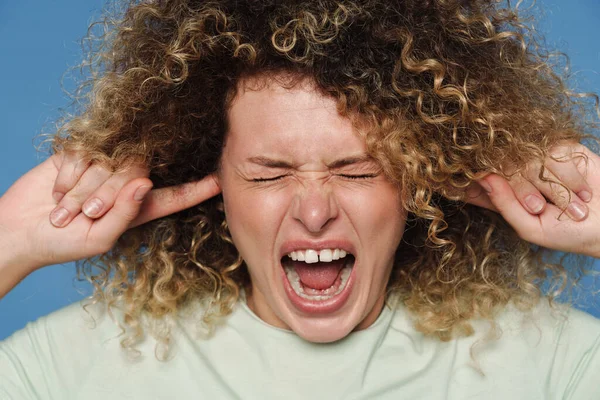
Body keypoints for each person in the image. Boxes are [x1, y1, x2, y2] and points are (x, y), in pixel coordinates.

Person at [1, 0, 599, 398]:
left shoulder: (552, 364)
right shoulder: (76, 367)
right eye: (267, 176)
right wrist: (12, 240)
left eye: (359, 172)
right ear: (213, 185)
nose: (314, 213)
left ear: (419, 180)